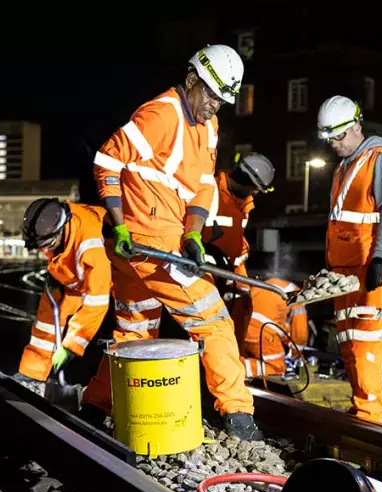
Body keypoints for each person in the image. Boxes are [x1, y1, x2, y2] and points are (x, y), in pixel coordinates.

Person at [80, 44, 263, 441]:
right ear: (192, 80)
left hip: (157, 245)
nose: (215, 105)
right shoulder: (161, 114)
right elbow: (107, 161)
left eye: (222, 100)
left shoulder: (209, 127)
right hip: (148, 243)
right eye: (211, 95)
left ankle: (94, 408)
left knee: (134, 331)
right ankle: (238, 416)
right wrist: (120, 224)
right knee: (213, 321)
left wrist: (194, 233)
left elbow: (199, 187)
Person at [317, 95, 382, 424]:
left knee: (366, 346)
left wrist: (380, 259)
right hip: (344, 274)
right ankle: (361, 415)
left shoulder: (381, 161)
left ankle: (369, 419)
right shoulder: (344, 168)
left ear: (355, 126)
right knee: (349, 345)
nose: (334, 144)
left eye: (339, 137)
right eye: (330, 139)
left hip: (370, 271)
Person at [14, 198, 112, 396]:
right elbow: (49, 320)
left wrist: (71, 346)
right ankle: (32, 376)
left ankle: (102, 398)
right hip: (74, 274)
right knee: (47, 316)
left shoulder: (91, 246)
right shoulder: (56, 228)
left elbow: (97, 302)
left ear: (60, 231)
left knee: (117, 337)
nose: (44, 251)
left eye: (47, 245)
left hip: (116, 280)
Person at [202, 152, 276, 344]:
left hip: (232, 269)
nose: (257, 193)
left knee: (242, 307)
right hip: (207, 268)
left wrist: (241, 249)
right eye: (256, 188)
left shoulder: (243, 203)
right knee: (207, 318)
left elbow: (234, 232)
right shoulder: (211, 190)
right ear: (248, 181)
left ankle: (233, 361)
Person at [240, 278, 308, 377]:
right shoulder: (296, 293)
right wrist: (295, 354)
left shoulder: (263, 284)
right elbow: (300, 333)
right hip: (264, 337)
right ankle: (235, 368)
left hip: (242, 333)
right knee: (278, 368)